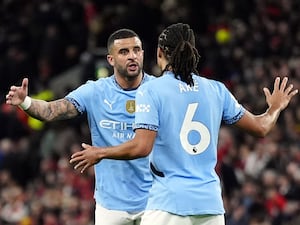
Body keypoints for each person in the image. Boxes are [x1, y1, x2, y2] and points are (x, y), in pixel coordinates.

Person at [69, 23, 298, 225]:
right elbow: (261, 127)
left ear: (160, 54)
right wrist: (275, 107)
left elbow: (141, 147)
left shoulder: (152, 90)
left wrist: (101, 152)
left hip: (170, 203)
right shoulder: (216, 89)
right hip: (210, 204)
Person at [5, 28, 154, 225]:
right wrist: (26, 102)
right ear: (110, 59)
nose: (132, 56)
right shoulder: (95, 91)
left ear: (143, 53)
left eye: (137, 50)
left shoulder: (158, 90)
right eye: (124, 52)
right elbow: (51, 111)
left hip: (154, 201)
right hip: (111, 206)